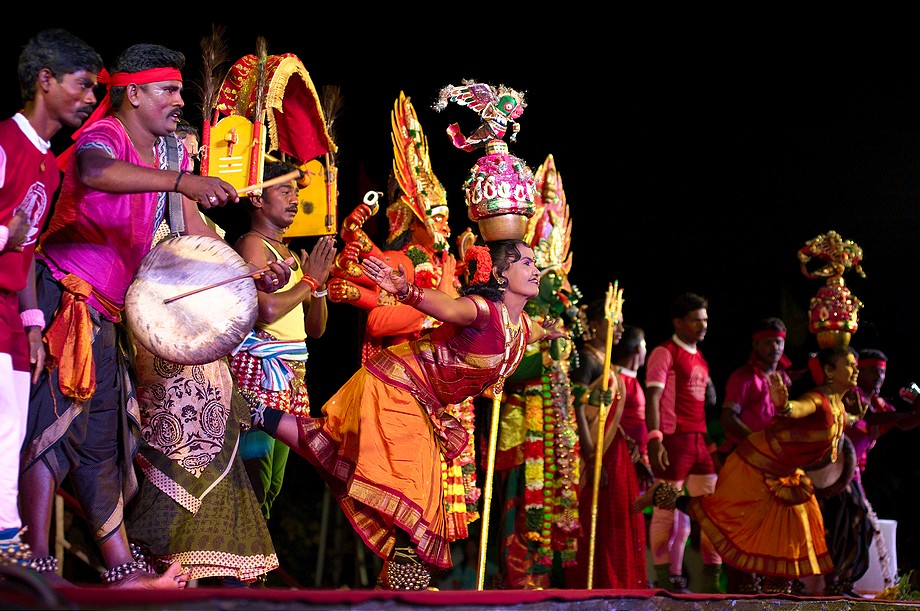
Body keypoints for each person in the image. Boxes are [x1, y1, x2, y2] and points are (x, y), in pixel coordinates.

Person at [20, 42, 291, 588]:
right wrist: (179, 181)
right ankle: (34, 558)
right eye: (166, 90)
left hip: (110, 313)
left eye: (178, 90)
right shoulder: (107, 137)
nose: (176, 100)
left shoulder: (170, 155)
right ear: (134, 94)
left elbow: (192, 234)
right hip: (65, 299)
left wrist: (247, 275)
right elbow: (94, 172)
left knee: (103, 440)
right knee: (53, 430)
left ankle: (120, 568)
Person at [246, 239, 566, 590]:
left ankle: (257, 412)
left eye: (535, 263)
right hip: (397, 386)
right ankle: (401, 581)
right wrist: (406, 289)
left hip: (422, 403)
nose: (535, 270)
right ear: (503, 275)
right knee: (411, 485)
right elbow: (446, 306)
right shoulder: (481, 309)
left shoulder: (522, 329)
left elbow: (533, 333)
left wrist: (550, 330)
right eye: (526, 263)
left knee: (341, 447)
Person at [122, 132, 280, 587]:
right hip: (152, 360)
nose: (191, 167)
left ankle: (189, 583)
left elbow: (233, 271)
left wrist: (265, 276)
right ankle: (150, 574)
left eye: (190, 158)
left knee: (213, 456)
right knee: (158, 461)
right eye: (183, 157)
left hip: (207, 370)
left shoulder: (198, 229)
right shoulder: (133, 210)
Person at [634, 346, 867, 594]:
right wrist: (784, 404)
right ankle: (661, 495)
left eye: (856, 365)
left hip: (784, 474)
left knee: (792, 538)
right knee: (718, 514)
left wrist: (854, 417)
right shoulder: (817, 400)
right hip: (756, 464)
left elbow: (840, 421)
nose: (856, 370)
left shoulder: (838, 406)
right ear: (830, 371)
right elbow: (797, 408)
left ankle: (776, 595)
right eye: (850, 364)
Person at [0, 29, 102, 569]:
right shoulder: (4, 144)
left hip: (12, 322)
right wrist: (5, 234)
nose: (89, 98)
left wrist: (35, 325)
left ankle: (9, 544)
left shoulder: (46, 164)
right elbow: (12, 236)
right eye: (82, 86)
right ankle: (9, 544)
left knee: (12, 429)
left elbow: (27, 250)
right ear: (45, 80)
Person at [228, 160, 336, 522]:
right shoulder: (251, 245)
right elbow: (267, 311)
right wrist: (309, 282)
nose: (295, 199)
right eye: (285, 190)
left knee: (272, 487)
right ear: (257, 198)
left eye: (297, 192)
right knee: (252, 479)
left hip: (292, 376)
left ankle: (249, 572)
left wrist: (317, 286)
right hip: (260, 373)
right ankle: (237, 573)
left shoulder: (288, 253)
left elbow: (317, 330)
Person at [815, 348, 920, 595]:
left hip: (854, 474)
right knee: (851, 521)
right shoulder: (853, 396)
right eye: (873, 370)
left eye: (883, 371)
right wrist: (907, 411)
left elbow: (903, 423)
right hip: (835, 470)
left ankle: (842, 580)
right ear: (859, 371)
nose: (879, 376)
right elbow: (873, 421)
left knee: (855, 523)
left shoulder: (877, 403)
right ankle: (836, 580)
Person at [565, 301, 650, 589]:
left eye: (622, 322)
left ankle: (620, 589)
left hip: (615, 453)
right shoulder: (587, 361)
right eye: (615, 321)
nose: (621, 328)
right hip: (597, 456)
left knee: (617, 525)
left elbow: (609, 415)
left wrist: (627, 442)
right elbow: (575, 408)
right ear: (595, 325)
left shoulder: (609, 365)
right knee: (600, 526)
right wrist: (592, 456)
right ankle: (600, 589)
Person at [644, 291, 722, 593]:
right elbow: (653, 396)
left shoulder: (700, 357)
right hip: (674, 441)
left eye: (705, 320)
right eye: (696, 320)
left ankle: (713, 582)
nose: (703, 326)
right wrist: (655, 438)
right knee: (668, 512)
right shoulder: (665, 353)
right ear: (678, 322)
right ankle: (668, 580)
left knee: (712, 511)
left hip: (699, 442)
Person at [717, 316, 792, 593]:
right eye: (769, 341)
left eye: (779, 341)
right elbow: (727, 417)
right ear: (756, 344)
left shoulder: (783, 378)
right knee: (744, 525)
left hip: (773, 464)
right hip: (744, 459)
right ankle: (742, 584)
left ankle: (768, 582)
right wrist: (756, 443)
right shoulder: (743, 377)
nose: (775, 347)